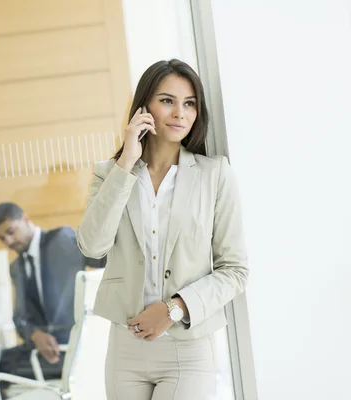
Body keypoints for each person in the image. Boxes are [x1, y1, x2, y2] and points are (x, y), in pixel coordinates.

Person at [76, 59, 249, 399]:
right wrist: (126, 162)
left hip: (187, 347)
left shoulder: (215, 175)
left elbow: (235, 270)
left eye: (189, 104)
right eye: (167, 100)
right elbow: (92, 246)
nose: (179, 113)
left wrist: (173, 309)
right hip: (126, 350)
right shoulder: (110, 174)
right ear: (144, 107)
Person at [0, 202, 105, 400]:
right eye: (1, 238)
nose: (8, 241)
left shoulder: (63, 241)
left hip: (69, 350)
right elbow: (19, 318)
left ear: (25, 219)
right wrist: (33, 334)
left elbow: (104, 260)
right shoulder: (16, 267)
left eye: (11, 231)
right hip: (38, 351)